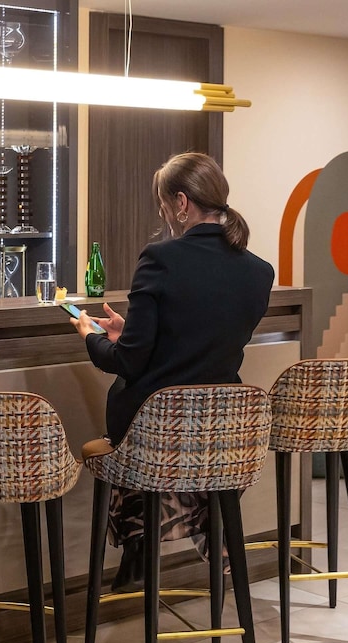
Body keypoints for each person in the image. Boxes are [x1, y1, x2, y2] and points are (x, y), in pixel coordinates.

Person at [69, 152, 275, 591]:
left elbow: (127, 362)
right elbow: (201, 344)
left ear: (181, 203)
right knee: (172, 443)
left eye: (164, 205)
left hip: (156, 431)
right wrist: (130, 331)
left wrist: (90, 335)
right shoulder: (260, 272)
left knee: (143, 438)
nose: (163, 214)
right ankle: (195, 528)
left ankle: (141, 538)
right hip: (222, 432)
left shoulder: (161, 258)